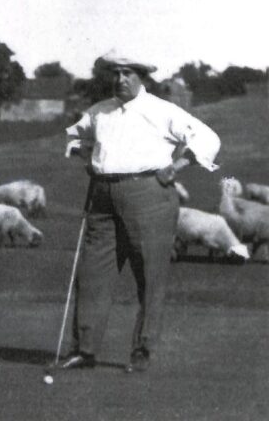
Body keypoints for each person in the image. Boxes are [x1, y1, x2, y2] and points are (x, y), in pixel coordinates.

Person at [61, 50, 221, 373]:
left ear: (142, 77)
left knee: (149, 275)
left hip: (149, 194)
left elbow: (207, 138)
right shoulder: (99, 111)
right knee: (92, 274)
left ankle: (142, 351)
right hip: (102, 196)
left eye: (129, 73)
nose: (121, 79)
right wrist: (87, 158)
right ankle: (85, 350)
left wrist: (177, 165)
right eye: (116, 73)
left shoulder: (161, 110)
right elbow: (75, 137)